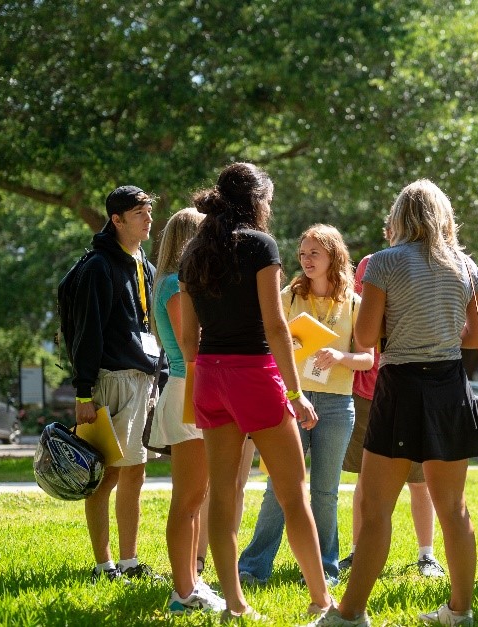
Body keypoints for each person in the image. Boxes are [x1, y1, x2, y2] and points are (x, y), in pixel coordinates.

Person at [310, 179, 478, 627]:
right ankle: (460, 611)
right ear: (443, 215)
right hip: (450, 385)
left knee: (375, 509)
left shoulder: (385, 262)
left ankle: (349, 613)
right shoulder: (465, 265)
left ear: (399, 217)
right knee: (454, 509)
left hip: (401, 386)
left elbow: (367, 337)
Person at [179, 162, 333, 622]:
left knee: (222, 495)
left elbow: (188, 339)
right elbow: (275, 325)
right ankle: (323, 600)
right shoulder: (260, 245)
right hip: (254, 374)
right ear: (257, 200)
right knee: (294, 493)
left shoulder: (193, 253)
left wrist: (210, 373)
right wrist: (295, 391)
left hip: (208, 375)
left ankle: (234, 603)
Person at [239, 224, 373, 585]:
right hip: (291, 402)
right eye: (302, 253)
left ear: (334, 255)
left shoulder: (355, 303)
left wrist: (340, 355)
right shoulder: (289, 296)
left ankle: (325, 569)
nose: (306, 259)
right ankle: (252, 568)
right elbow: (266, 340)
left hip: (336, 406)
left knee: (325, 493)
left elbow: (368, 359)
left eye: (314, 253)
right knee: (278, 488)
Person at [339, 222, 445, 580]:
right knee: (365, 481)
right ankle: (356, 551)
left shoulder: (434, 263)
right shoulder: (372, 264)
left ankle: (426, 554)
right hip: (369, 387)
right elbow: (358, 319)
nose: (394, 233)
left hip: (411, 386)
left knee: (420, 479)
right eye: (390, 228)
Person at [71, 185, 162, 583]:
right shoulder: (98, 266)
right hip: (111, 381)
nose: (148, 219)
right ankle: (103, 564)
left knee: (136, 472)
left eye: (149, 212)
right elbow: (86, 332)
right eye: (139, 213)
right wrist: (82, 392)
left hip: (143, 379)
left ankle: (129, 561)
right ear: (117, 219)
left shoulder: (142, 260)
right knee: (104, 475)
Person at [147, 207, 226, 613]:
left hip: (191, 388)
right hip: (187, 388)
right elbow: (190, 342)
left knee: (198, 495)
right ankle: (182, 593)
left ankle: (192, 582)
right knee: (189, 498)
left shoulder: (178, 282)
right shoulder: (177, 285)